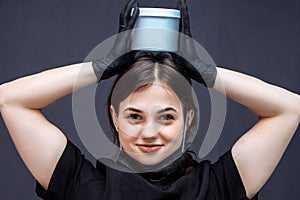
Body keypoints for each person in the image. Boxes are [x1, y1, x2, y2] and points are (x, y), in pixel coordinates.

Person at [0, 0, 299, 199]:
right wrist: (98, 67)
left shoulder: (218, 187)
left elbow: (289, 108)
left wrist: (208, 72)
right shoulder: (82, 186)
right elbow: (10, 99)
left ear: (188, 119)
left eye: (167, 116)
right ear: (114, 116)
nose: (149, 132)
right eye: (134, 116)